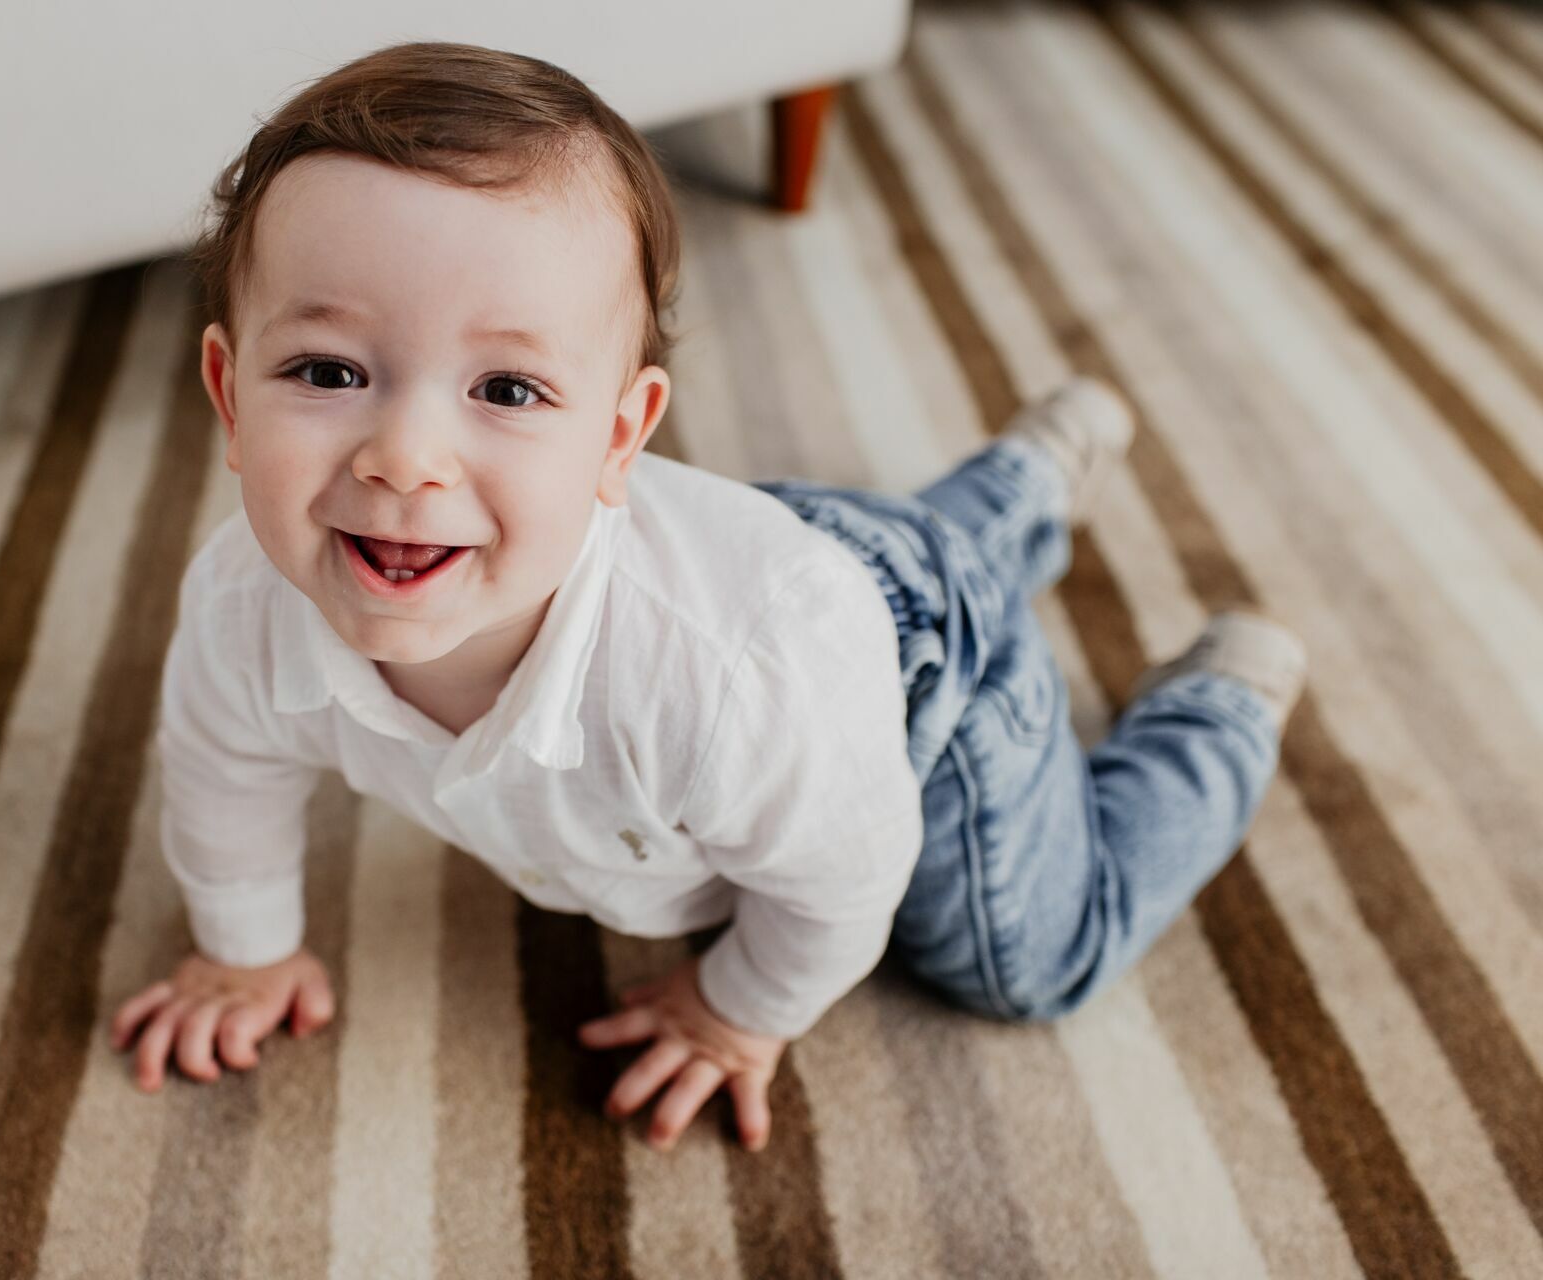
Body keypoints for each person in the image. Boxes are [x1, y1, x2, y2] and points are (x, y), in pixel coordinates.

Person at [108, 39, 1307, 1155]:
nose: (404, 456)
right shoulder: (239, 606)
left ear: (620, 439)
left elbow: (846, 880)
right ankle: (1029, 476)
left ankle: (1225, 705)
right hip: (788, 560)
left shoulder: (720, 688)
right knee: (900, 555)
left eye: (509, 389)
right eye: (327, 370)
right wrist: (243, 950)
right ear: (227, 392)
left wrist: (739, 1009)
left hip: (914, 684)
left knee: (1027, 962)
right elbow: (227, 768)